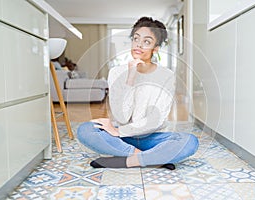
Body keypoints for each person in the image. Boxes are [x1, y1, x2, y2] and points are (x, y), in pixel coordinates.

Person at [77, 17, 199, 170]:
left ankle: (125, 161)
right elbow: (121, 117)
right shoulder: (116, 72)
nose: (139, 45)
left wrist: (120, 130)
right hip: (121, 137)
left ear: (155, 48)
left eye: (147, 42)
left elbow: (156, 119)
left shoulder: (166, 75)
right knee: (85, 130)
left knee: (190, 141)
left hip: (151, 136)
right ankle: (151, 158)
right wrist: (130, 78)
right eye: (136, 39)